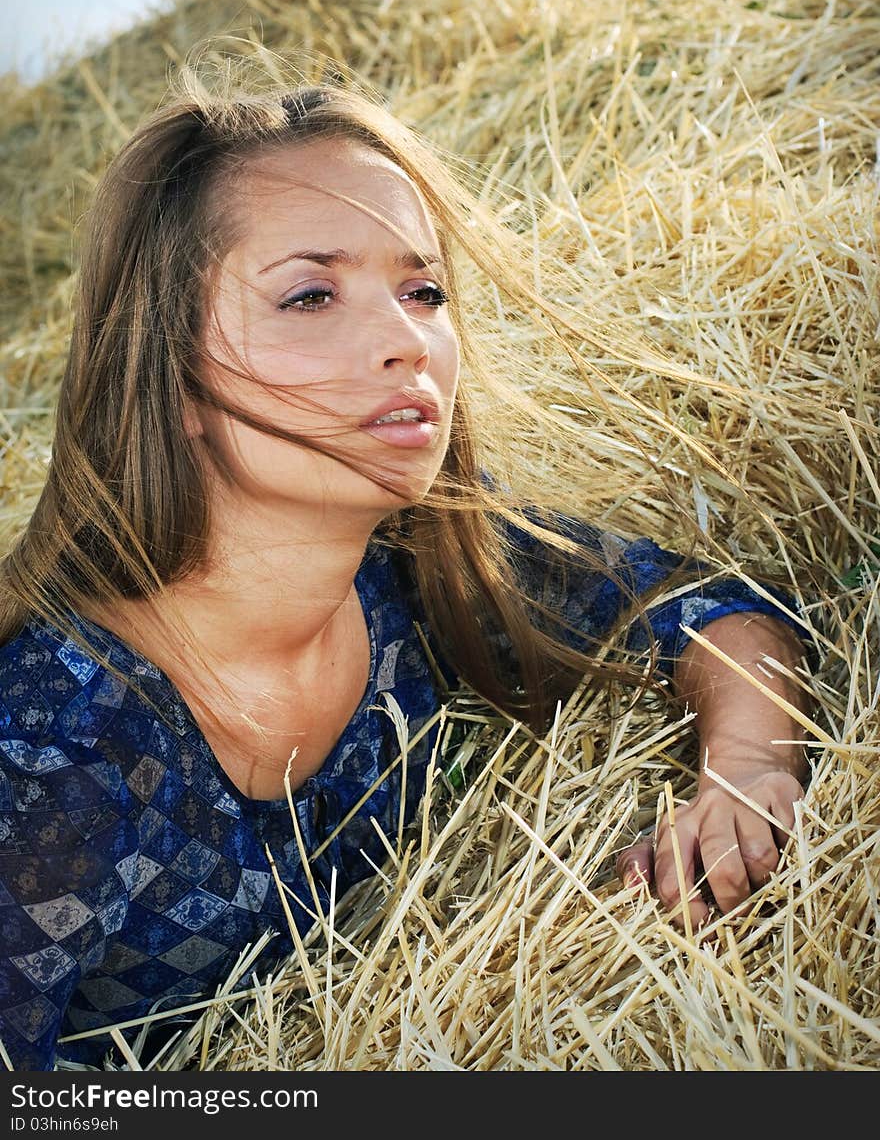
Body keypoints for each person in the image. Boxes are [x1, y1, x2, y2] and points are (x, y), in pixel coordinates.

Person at [0, 58, 817, 1071]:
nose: (407, 342)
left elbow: (699, 602)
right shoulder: (52, 754)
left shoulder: (409, 571)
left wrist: (747, 767)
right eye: (310, 295)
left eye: (422, 287)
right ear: (170, 380)